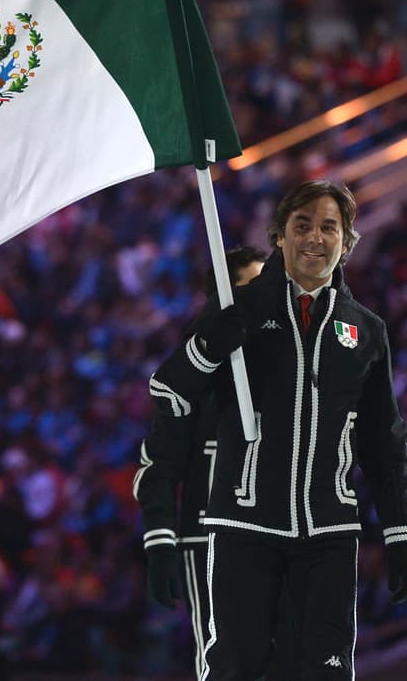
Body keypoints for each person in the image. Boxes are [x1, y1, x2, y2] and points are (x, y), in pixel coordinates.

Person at [147, 181, 407, 679]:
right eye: (302, 225)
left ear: (347, 241)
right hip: (244, 529)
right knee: (236, 668)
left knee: (325, 672)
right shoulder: (240, 309)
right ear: (279, 236)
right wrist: (207, 346)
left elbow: (385, 442)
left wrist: (402, 533)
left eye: (328, 227)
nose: (315, 237)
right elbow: (170, 392)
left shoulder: (366, 330)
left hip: (329, 535)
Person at [135, 245, 267, 678]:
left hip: (281, 529)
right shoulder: (190, 374)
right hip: (209, 537)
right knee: (223, 660)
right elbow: (157, 463)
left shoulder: (288, 359)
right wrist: (160, 540)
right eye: (252, 285)